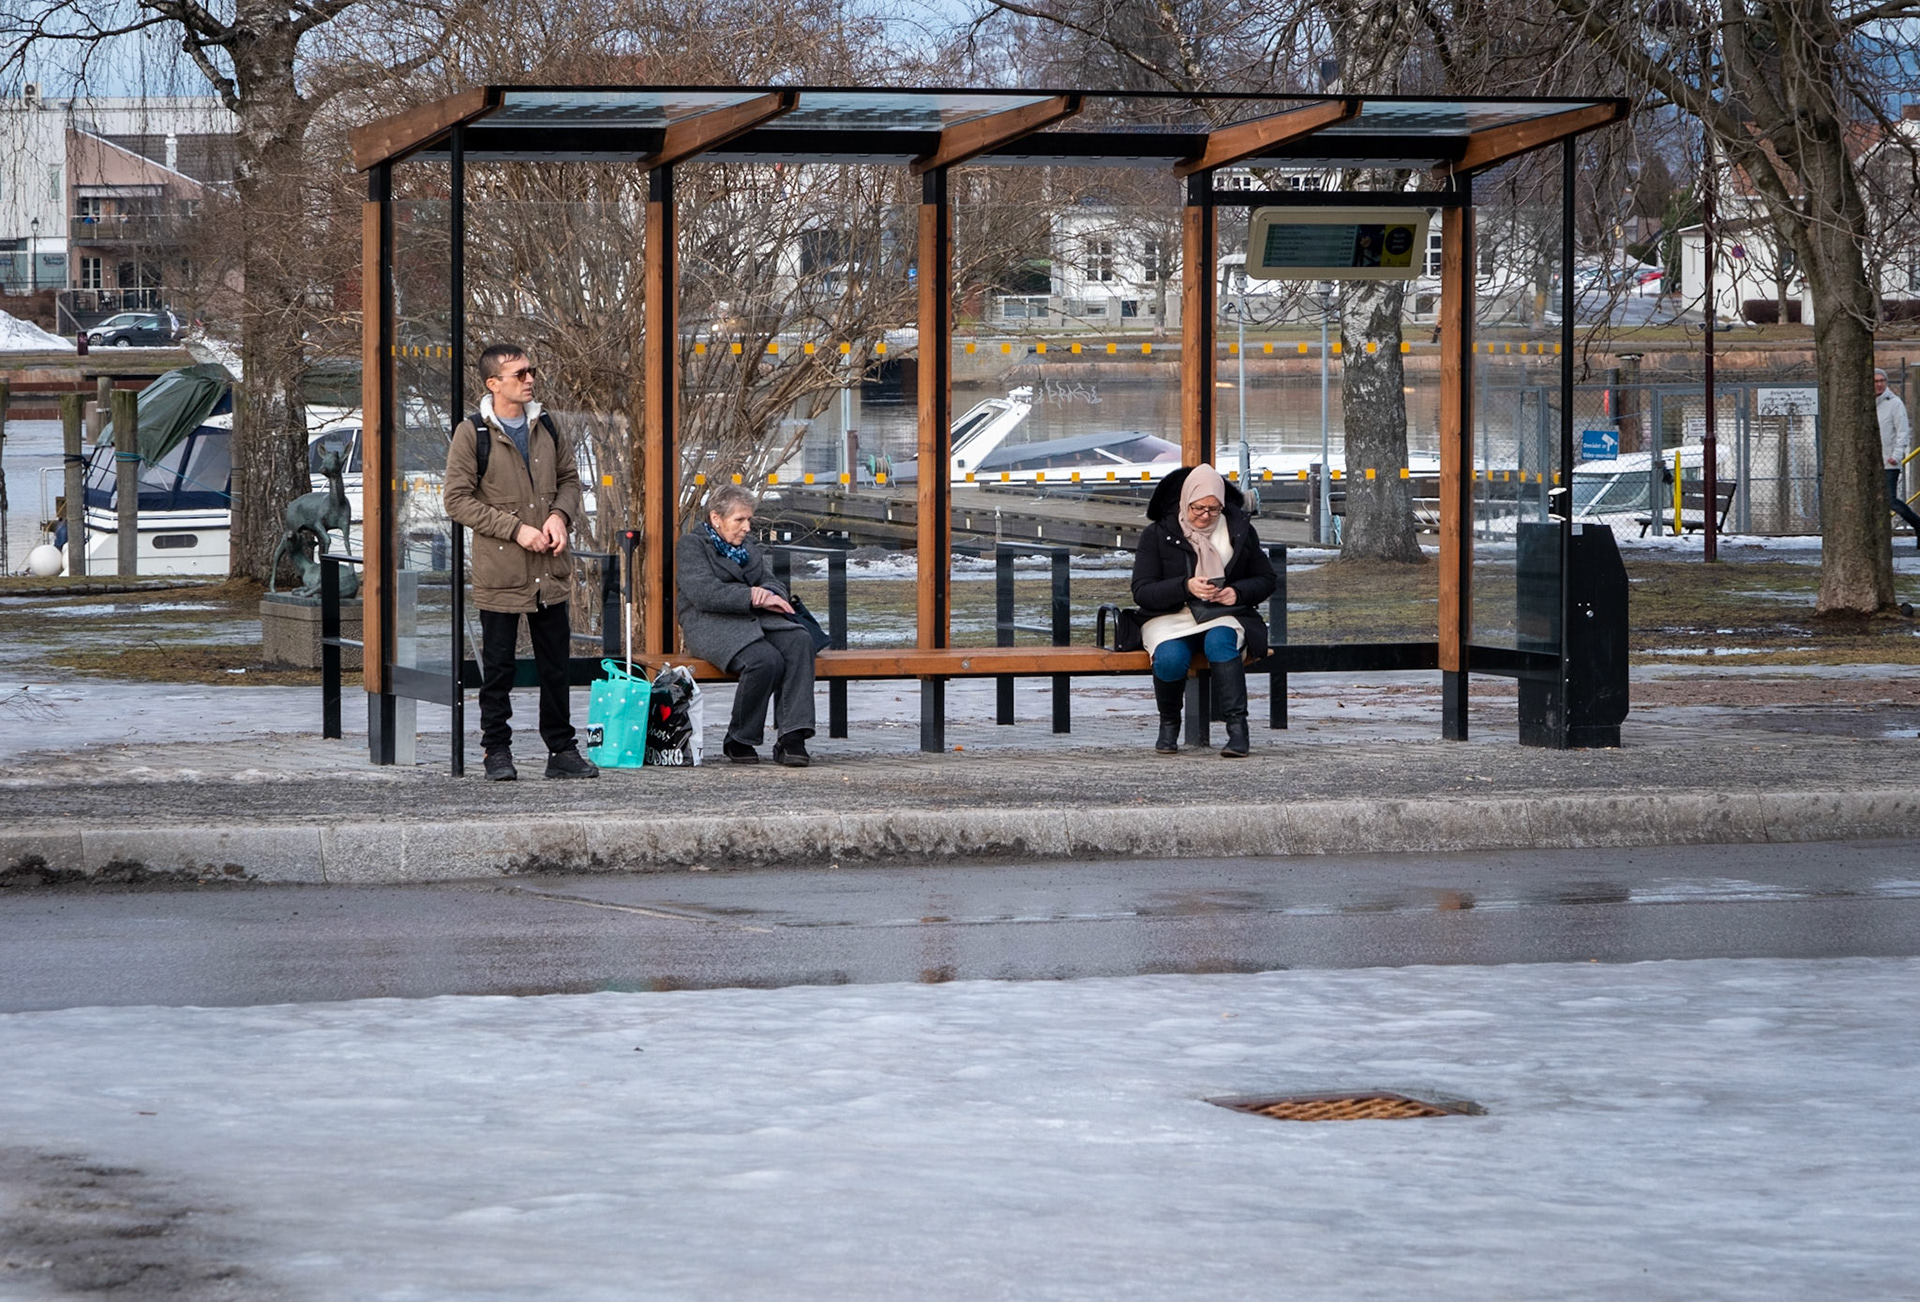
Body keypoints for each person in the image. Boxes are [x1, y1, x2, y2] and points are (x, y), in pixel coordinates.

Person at [442, 343, 598, 782]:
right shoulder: (472, 433)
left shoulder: (546, 425)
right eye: (521, 373)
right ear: (494, 384)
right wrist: (515, 529)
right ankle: (496, 751)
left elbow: (570, 480)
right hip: (502, 572)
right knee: (499, 669)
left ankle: (562, 752)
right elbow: (456, 500)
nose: (530, 379)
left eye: (532, 371)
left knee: (555, 666)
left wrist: (558, 516)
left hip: (550, 571)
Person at [1131, 464, 1276, 758]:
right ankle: (1169, 725)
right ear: (1185, 501)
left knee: (1221, 644)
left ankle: (1238, 731)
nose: (1205, 516)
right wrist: (1186, 587)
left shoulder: (1240, 531)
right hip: (1170, 616)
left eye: (1213, 509)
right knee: (1171, 658)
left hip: (1224, 613)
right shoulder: (1158, 533)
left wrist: (1237, 592)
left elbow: (1266, 579)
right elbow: (1142, 590)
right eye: (1198, 508)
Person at [676, 484, 818, 767]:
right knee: (765, 660)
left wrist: (769, 593)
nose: (747, 527)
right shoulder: (692, 545)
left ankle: (792, 737)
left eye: (749, 519)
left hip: (754, 620)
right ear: (716, 518)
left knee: (800, 640)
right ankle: (740, 738)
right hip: (710, 623)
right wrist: (751, 595)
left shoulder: (749, 548)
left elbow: (773, 582)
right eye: (739, 520)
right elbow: (703, 593)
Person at [1875, 368, 1919, 549]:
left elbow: (1902, 432)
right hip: (1871, 462)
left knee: (1890, 499)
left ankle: (1918, 523)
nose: (1878, 384)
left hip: (1889, 462)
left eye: (1882, 381)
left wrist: (1896, 455)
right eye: (1875, 381)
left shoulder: (1894, 403)